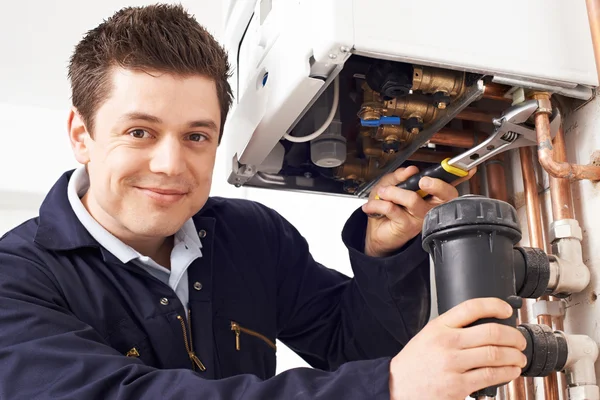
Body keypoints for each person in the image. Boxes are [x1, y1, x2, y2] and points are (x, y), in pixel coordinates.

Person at [0, 4, 527, 400]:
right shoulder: (16, 280)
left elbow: (355, 347)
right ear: (81, 134)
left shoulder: (250, 235)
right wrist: (384, 386)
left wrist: (382, 253)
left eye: (196, 136)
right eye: (140, 131)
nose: (170, 164)